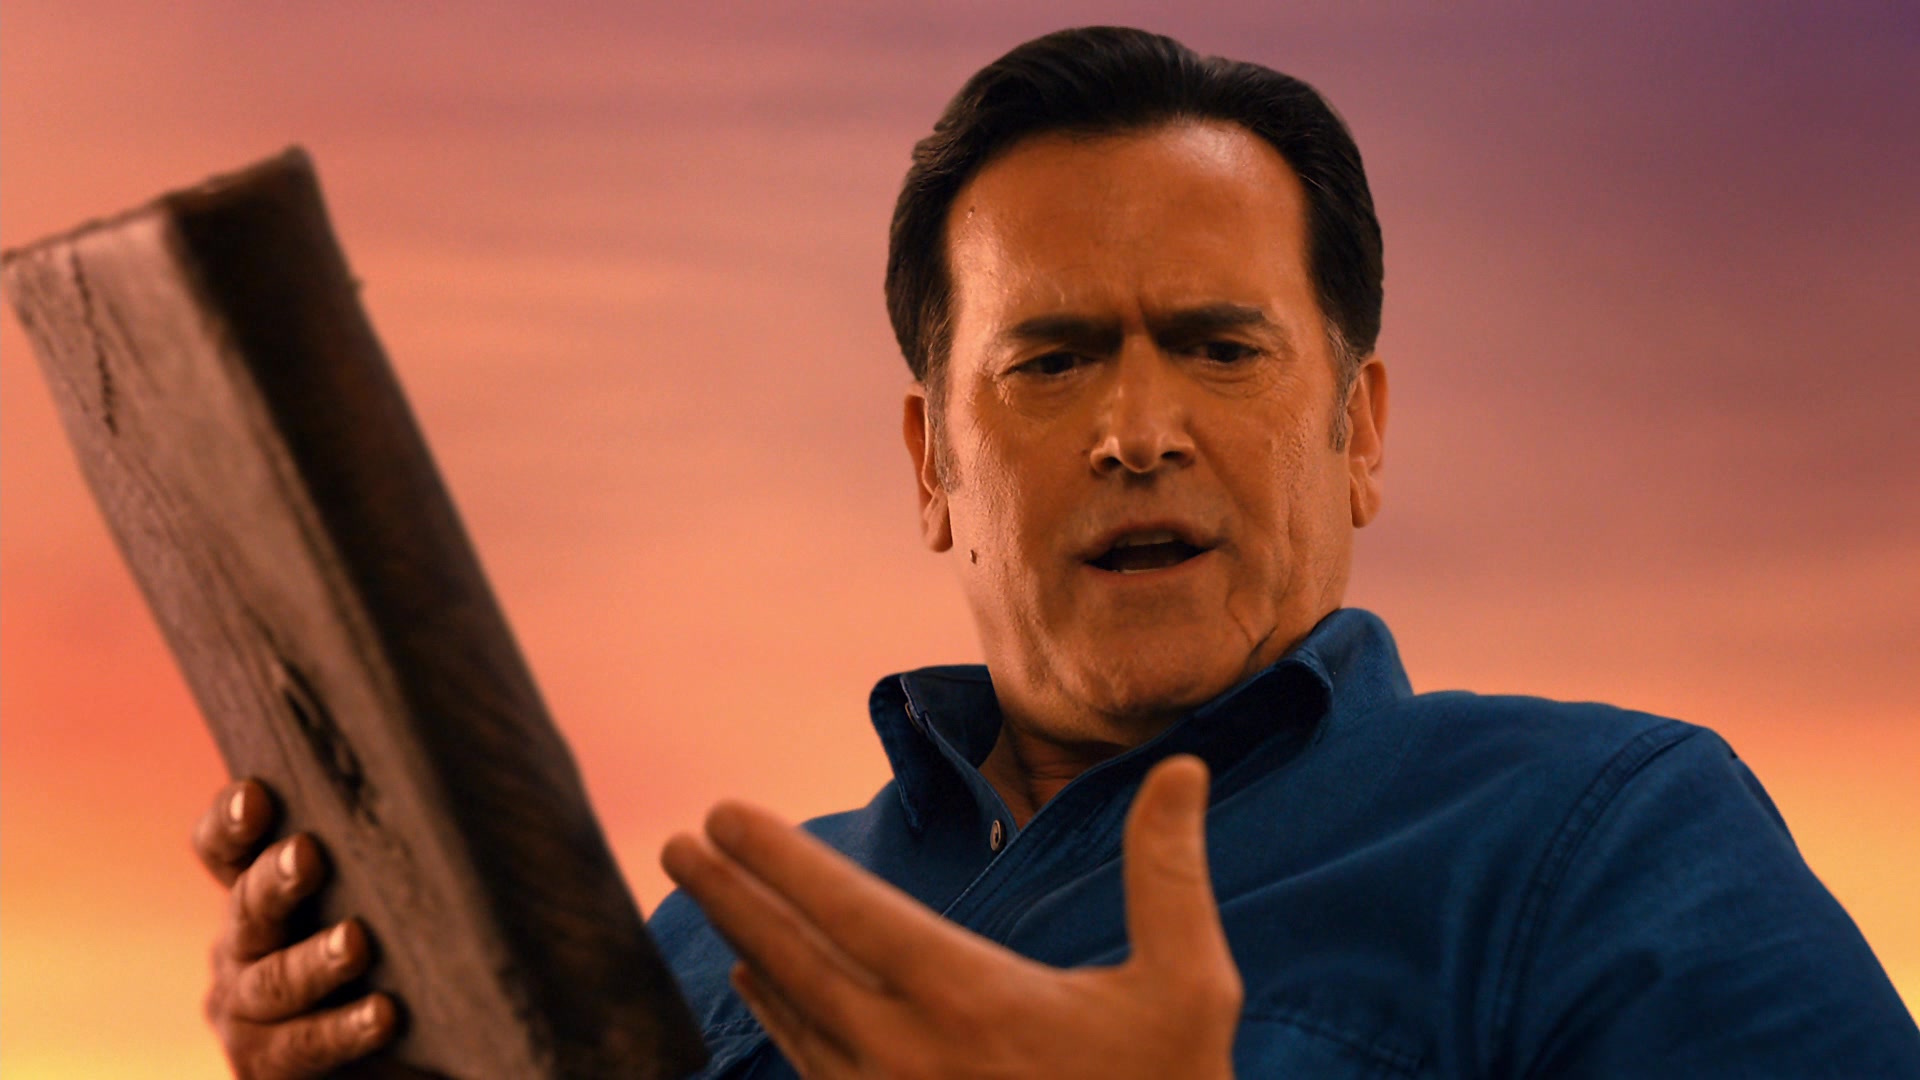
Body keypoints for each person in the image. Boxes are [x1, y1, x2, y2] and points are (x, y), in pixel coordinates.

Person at [193, 26, 1920, 1078]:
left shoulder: (1604, 840)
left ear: (1361, 429)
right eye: (1053, 358)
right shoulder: (714, 947)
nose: (1135, 429)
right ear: (931, 461)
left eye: (1221, 349)